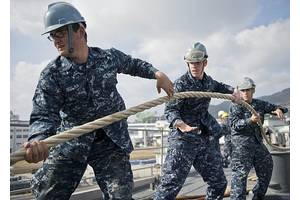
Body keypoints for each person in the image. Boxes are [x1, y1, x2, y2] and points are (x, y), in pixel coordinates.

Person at [23, 2, 174, 200]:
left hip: (110, 141)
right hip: (72, 141)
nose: (55, 41)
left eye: (60, 33)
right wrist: (38, 138)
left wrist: (157, 73)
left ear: (80, 30)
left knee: (121, 195)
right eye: (52, 35)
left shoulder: (107, 57)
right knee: (47, 194)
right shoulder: (52, 74)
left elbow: (133, 64)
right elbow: (44, 113)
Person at [154, 42, 240, 200]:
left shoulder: (207, 82)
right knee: (169, 187)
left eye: (197, 63)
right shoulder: (180, 84)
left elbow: (218, 86)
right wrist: (181, 124)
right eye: (190, 63)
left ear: (205, 63)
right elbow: (170, 110)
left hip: (203, 138)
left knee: (219, 183)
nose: (194, 66)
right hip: (183, 139)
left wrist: (233, 91)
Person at [229, 77, 288, 200]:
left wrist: (279, 109)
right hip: (242, 145)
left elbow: (279, 108)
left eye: (248, 90)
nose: (245, 93)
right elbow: (234, 125)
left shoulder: (258, 104)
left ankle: (257, 196)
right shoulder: (236, 106)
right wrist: (249, 120)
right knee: (240, 176)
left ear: (253, 90)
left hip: (257, 143)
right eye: (243, 90)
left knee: (267, 167)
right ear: (239, 91)